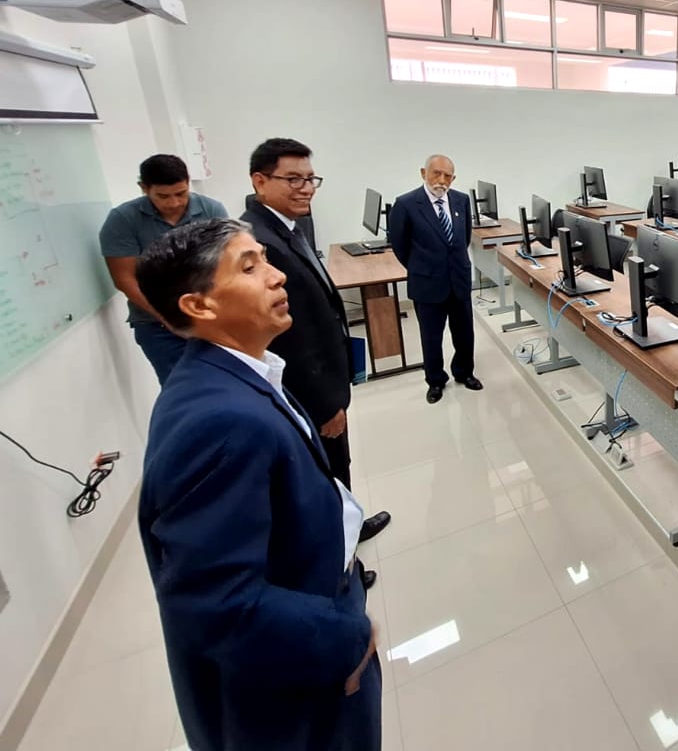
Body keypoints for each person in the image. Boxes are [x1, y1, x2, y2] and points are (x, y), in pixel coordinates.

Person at [135, 219, 380, 751]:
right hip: (299, 676)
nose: (276, 276)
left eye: (265, 259)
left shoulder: (238, 373)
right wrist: (348, 635)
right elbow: (216, 604)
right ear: (198, 306)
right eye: (249, 267)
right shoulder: (219, 420)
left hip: (314, 604)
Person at [241, 138, 391, 570]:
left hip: (325, 375)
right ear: (259, 181)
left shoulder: (293, 225)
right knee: (323, 471)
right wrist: (326, 403)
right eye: (293, 179)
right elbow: (291, 337)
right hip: (311, 388)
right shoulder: (260, 240)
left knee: (336, 465)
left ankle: (348, 527)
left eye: (310, 179)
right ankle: (340, 565)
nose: (306, 188)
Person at [98, 153, 227, 383]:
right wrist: (169, 318)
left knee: (228, 381)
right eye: (163, 196)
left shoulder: (211, 210)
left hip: (211, 315)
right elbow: (125, 279)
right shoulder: (122, 219)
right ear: (144, 188)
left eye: (181, 193)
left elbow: (227, 264)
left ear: (188, 183)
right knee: (184, 387)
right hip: (157, 325)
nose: (174, 203)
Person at [388, 154, 482, 404]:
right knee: (431, 337)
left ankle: (464, 372)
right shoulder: (406, 204)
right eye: (436, 173)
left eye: (447, 176)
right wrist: (422, 267)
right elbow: (399, 245)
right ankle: (435, 380)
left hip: (459, 279)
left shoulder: (461, 200)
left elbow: (463, 238)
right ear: (424, 173)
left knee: (464, 333)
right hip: (427, 283)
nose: (441, 180)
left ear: (454, 178)